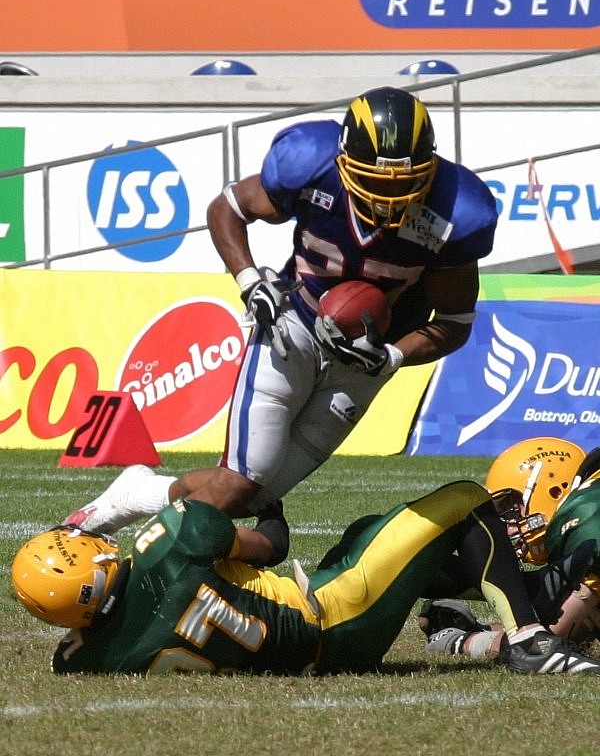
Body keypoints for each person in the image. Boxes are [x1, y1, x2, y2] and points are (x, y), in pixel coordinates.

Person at [62, 85, 499, 566]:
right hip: (293, 329)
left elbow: (455, 321)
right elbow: (228, 207)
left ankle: (136, 495)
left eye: (405, 181)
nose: (389, 194)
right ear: (343, 161)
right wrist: (250, 281)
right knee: (240, 482)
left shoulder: (458, 212)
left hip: (363, 364)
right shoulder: (310, 162)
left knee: (251, 493)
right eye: (373, 179)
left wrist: (392, 355)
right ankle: (135, 570)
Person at [12, 479, 600, 676]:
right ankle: (530, 639)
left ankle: (524, 598)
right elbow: (272, 545)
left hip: (309, 656)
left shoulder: (82, 658)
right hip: (335, 617)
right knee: (465, 501)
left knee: (366, 533)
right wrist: (267, 494)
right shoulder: (173, 541)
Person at [419, 437, 600, 659]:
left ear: (554, 489)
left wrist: (462, 642)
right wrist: (484, 630)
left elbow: (540, 647)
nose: (510, 528)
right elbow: (578, 626)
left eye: (511, 506)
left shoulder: (587, 512)